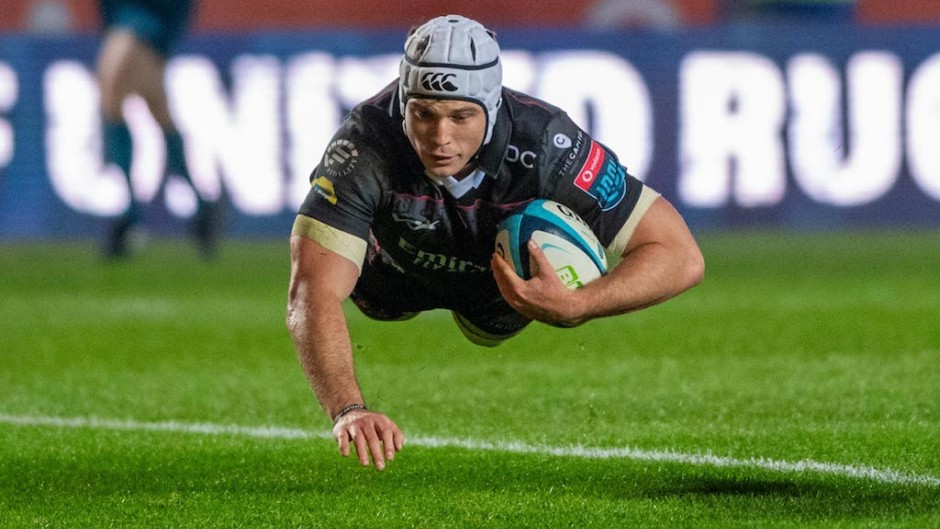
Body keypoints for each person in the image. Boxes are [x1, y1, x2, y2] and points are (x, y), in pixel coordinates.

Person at [286, 14, 704, 471]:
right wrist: (349, 409)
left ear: (491, 102)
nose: (440, 138)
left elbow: (679, 254)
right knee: (339, 267)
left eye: (461, 116)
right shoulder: (364, 144)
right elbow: (312, 290)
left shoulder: (549, 145)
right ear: (403, 102)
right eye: (423, 114)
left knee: (494, 317)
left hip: (498, 291)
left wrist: (582, 303)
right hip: (389, 282)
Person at [97, 0, 217, 259]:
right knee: (154, 108)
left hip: (153, 16)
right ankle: (202, 205)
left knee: (112, 85)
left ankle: (130, 215)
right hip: (127, 16)